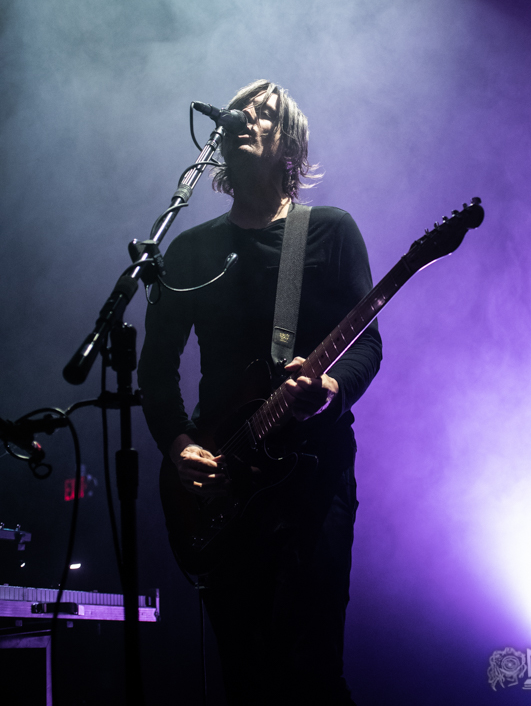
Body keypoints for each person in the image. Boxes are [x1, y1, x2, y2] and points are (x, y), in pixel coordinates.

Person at [137, 80, 382, 705]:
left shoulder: (329, 231)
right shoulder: (190, 249)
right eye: (240, 109)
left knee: (312, 669)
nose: (246, 116)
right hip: (222, 480)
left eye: (265, 113)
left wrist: (329, 386)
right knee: (245, 676)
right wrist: (179, 445)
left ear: (289, 146)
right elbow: (156, 370)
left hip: (310, 475)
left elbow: (369, 346)